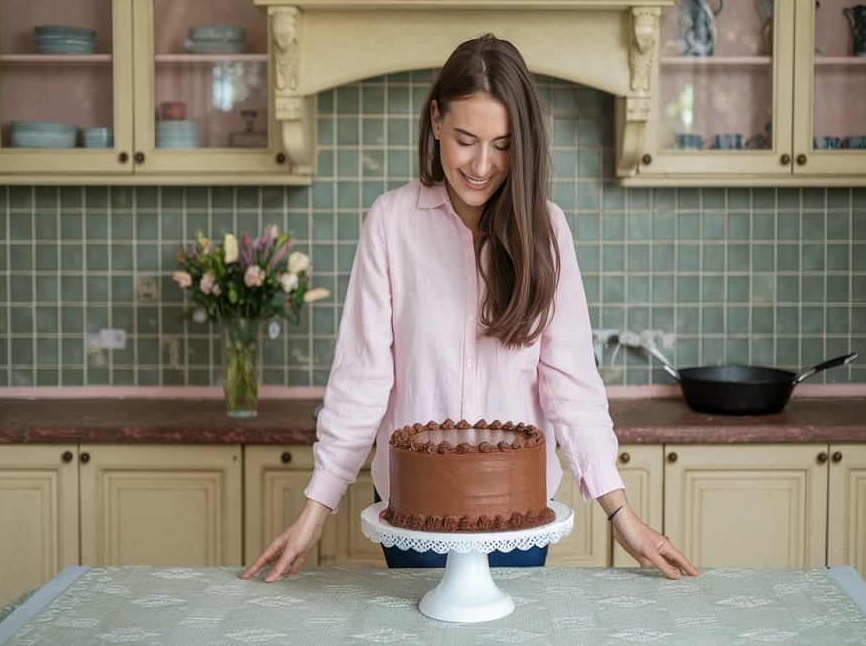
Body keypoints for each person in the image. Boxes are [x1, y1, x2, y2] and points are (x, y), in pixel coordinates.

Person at [240, 34, 698, 580]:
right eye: (465, 139)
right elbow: (362, 378)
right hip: (414, 512)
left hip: (518, 517)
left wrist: (620, 513)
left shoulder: (546, 231)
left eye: (503, 144)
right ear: (435, 122)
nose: (483, 164)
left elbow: (571, 384)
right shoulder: (391, 223)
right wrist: (316, 509)